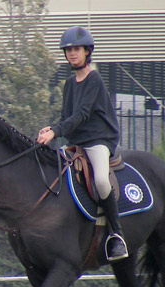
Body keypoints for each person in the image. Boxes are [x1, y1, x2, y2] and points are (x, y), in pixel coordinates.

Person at [36, 26, 128, 261]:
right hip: (76, 143)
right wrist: (52, 128)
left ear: (87, 51)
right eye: (68, 50)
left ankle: (116, 235)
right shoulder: (69, 84)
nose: (72, 54)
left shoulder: (94, 79)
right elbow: (69, 117)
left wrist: (56, 132)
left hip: (98, 140)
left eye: (76, 49)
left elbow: (83, 115)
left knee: (100, 179)